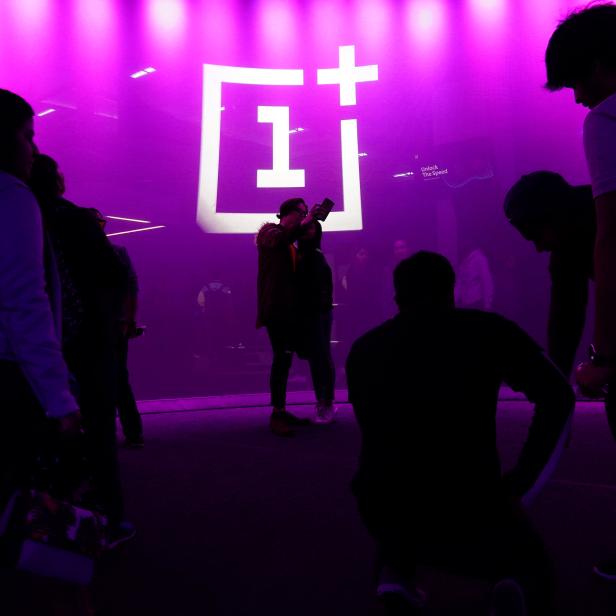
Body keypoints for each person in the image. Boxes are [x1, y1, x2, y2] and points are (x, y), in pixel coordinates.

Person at [346, 251, 574, 616]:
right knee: (534, 567)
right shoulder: (486, 330)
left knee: (397, 503)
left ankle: (396, 569)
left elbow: (374, 431)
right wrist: (520, 483)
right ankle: (510, 581)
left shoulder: (363, 349)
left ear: (396, 297)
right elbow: (558, 395)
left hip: (379, 501)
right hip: (467, 499)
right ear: (451, 290)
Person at [28, 154, 133, 545]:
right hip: (86, 345)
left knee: (44, 442)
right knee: (99, 433)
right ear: (57, 181)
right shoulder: (74, 219)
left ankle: (43, 528)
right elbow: (113, 273)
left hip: (36, 349)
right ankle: (107, 520)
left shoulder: (23, 218)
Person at [545, 4, 616, 579]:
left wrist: (602, 357)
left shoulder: (607, 121)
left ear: (600, 66)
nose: (576, 98)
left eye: (576, 81)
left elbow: (613, 237)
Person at [0, 90, 80, 508]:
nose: (34, 150)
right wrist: (59, 397)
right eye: (27, 137)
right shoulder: (12, 195)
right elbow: (24, 303)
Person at [256, 197, 326, 436]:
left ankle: (281, 410)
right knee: (281, 359)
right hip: (276, 309)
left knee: (285, 359)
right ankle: (277, 413)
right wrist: (308, 221)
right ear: (289, 213)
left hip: (287, 310)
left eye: (306, 213)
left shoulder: (291, 244)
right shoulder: (270, 232)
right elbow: (282, 239)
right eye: (302, 212)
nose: (305, 216)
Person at [91, 209, 144, 448]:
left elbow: (131, 288)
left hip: (99, 325)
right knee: (119, 379)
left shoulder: (85, 253)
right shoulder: (117, 252)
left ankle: (104, 436)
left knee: (101, 380)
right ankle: (131, 434)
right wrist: (128, 321)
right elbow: (131, 288)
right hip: (115, 325)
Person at [297, 221, 336, 424]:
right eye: (305, 227)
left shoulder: (315, 256)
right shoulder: (302, 255)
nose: (308, 231)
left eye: (312, 227)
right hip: (311, 312)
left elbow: (322, 288)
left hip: (318, 312)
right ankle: (323, 402)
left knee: (321, 356)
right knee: (316, 357)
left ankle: (326, 403)